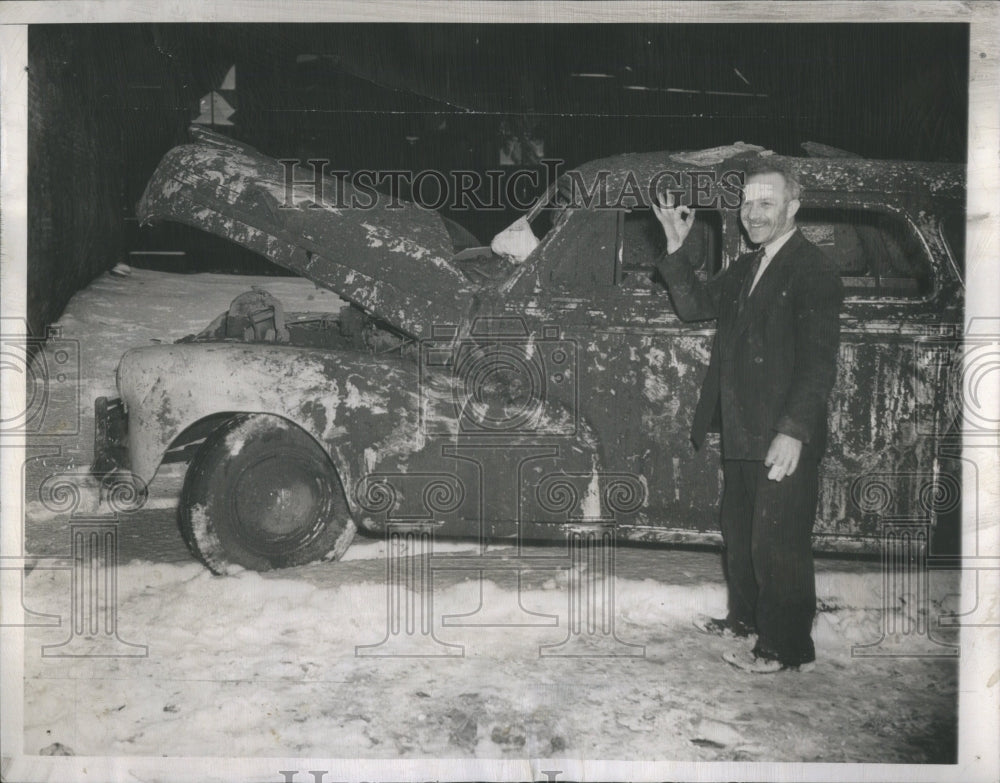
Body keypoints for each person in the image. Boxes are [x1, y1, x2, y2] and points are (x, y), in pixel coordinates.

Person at [652, 160, 843, 673]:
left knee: (778, 540)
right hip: (741, 426)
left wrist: (794, 432)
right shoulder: (750, 264)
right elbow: (693, 306)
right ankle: (745, 619)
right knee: (740, 531)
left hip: (780, 431)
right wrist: (676, 243)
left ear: (792, 208)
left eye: (766, 204)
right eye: (747, 203)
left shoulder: (813, 270)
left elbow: (819, 364)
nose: (752, 214)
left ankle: (785, 646)